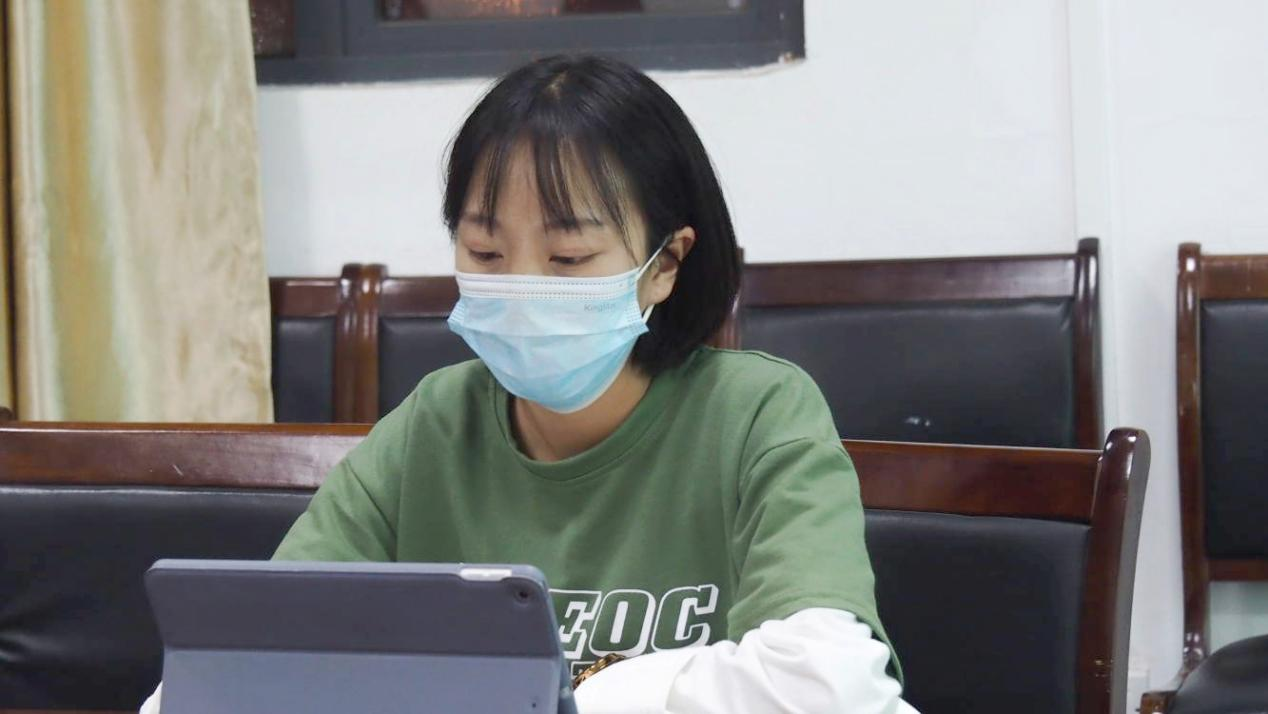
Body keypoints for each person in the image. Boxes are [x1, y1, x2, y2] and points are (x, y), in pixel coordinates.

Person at [142, 54, 916, 714]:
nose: (521, 286)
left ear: (667, 264)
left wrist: (568, 695)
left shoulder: (755, 415)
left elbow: (830, 681)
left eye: (568, 259)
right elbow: (243, 665)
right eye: (485, 253)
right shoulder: (433, 427)